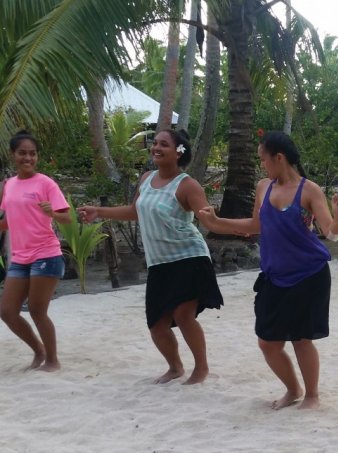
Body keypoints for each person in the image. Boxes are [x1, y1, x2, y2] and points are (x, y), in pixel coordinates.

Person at [198, 131, 338, 410]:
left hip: (309, 275)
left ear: (279, 158)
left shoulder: (309, 190)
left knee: (302, 340)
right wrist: (217, 221)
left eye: (263, 159)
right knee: (268, 343)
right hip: (274, 276)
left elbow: (331, 233)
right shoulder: (263, 187)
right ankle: (293, 390)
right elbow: (257, 225)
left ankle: (312, 396)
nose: (262, 165)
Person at [78, 129, 222, 385]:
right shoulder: (146, 179)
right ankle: (175, 367)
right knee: (156, 324)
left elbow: (208, 218)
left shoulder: (187, 184)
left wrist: (237, 226)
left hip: (189, 257)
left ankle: (201, 368)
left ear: (178, 152)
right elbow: (134, 211)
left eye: (163, 144)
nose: (156, 147)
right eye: (155, 143)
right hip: (159, 263)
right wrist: (98, 211)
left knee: (183, 315)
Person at [0, 130, 72, 371]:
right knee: (7, 312)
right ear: (13, 155)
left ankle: (52, 359)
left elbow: (68, 219)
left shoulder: (46, 183)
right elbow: (12, 218)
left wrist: (52, 212)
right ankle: (38, 350)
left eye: (32, 154)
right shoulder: (8, 185)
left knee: (37, 310)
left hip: (46, 254)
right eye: (22, 153)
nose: (28, 158)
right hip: (20, 257)